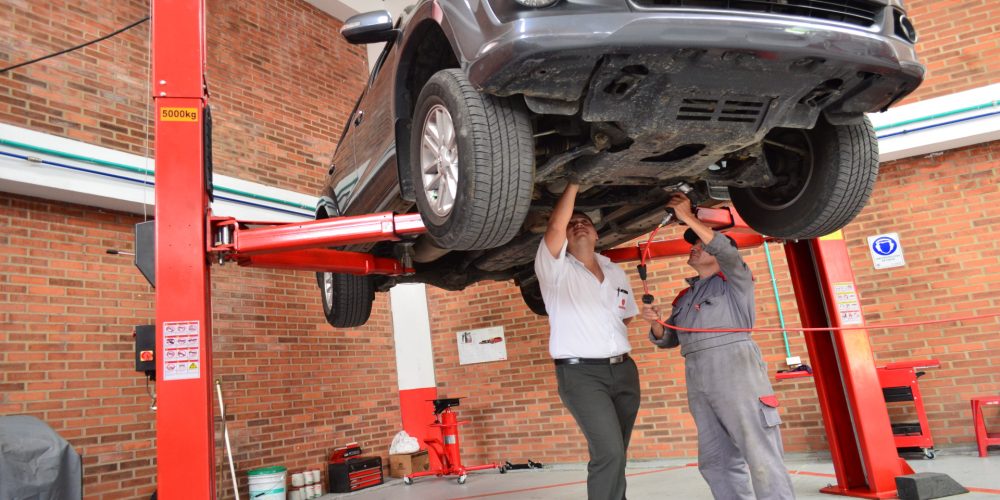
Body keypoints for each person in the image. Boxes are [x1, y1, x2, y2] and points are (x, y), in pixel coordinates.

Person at [642, 193, 795, 500]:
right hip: (698, 376)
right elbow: (670, 338)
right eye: (693, 244)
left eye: (700, 244)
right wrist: (656, 323)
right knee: (715, 460)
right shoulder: (686, 297)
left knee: (760, 454)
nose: (694, 247)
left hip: (736, 370)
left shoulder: (736, 281)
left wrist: (688, 217)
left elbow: (726, 251)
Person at [535, 181, 641, 500]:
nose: (579, 225)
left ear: (596, 234)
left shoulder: (615, 272)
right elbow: (555, 226)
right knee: (609, 452)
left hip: (624, 371)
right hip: (582, 375)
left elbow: (625, 315)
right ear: (566, 237)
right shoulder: (554, 270)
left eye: (586, 222)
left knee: (618, 453)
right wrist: (575, 183)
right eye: (573, 224)